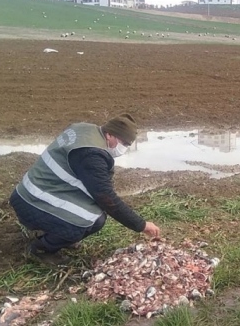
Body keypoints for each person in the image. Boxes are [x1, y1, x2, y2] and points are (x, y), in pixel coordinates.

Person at [9, 113, 161, 265]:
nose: (124, 148)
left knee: (95, 216)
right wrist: (141, 225)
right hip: (32, 200)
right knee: (85, 220)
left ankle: (59, 236)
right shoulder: (91, 154)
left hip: (37, 190)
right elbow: (106, 197)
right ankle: (41, 249)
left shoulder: (85, 130)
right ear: (109, 135)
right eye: (124, 143)